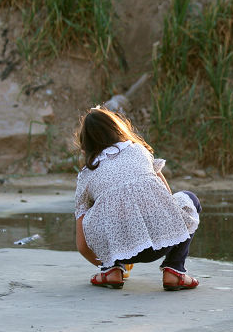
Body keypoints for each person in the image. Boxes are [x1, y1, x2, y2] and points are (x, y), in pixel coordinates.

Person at [74, 107, 201, 291]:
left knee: (97, 212)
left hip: (120, 251)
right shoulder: (138, 151)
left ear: (86, 142)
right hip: (162, 242)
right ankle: (174, 269)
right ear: (118, 129)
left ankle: (112, 270)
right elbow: (167, 202)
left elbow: (82, 244)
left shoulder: (87, 174)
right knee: (189, 198)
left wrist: (103, 262)